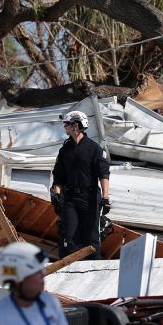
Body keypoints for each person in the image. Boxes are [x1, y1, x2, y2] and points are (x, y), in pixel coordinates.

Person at [51, 110, 111, 259]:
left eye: (66, 124)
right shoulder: (64, 151)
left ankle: (94, 271)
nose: (64, 127)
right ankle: (73, 273)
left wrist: (105, 198)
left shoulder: (95, 149)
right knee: (70, 238)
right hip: (70, 199)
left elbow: (104, 174)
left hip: (90, 197)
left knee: (92, 238)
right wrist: (57, 195)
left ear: (75, 126)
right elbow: (58, 176)